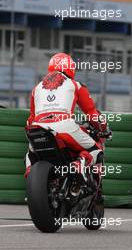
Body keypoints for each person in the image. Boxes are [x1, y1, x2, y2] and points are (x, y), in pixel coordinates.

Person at [24, 53, 111, 182]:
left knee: (31, 151)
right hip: (64, 126)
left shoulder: (36, 88)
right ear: (70, 68)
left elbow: (30, 119)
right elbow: (92, 113)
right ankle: (80, 163)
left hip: (38, 127)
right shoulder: (76, 85)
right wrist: (104, 129)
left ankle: (30, 171)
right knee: (96, 149)